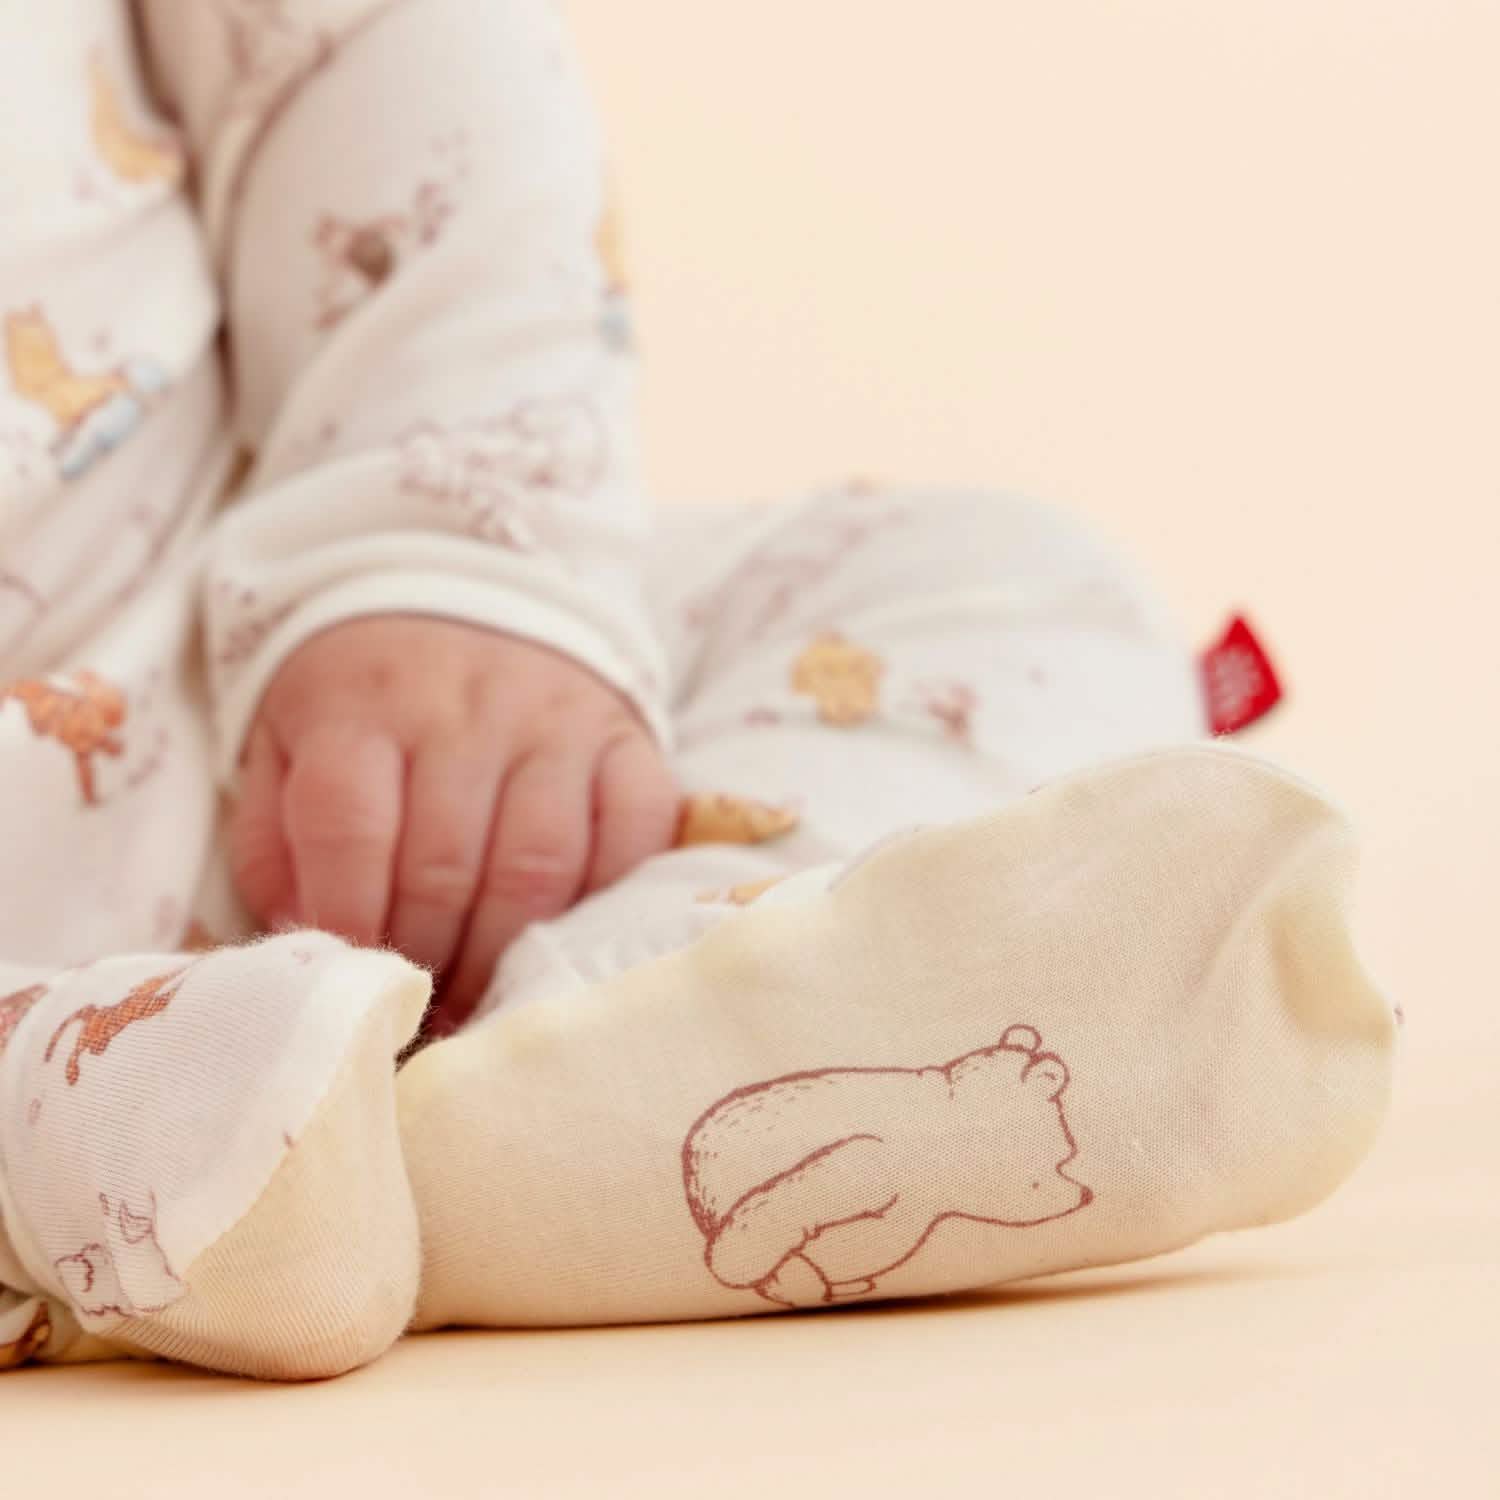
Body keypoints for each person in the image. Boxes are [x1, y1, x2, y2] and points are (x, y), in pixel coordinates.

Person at [0, 0, 1396, 1379]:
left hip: (276, 652)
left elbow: (367, 38)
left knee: (1013, 590)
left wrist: (440, 559)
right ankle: (233, 1159)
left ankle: (505, 1100)